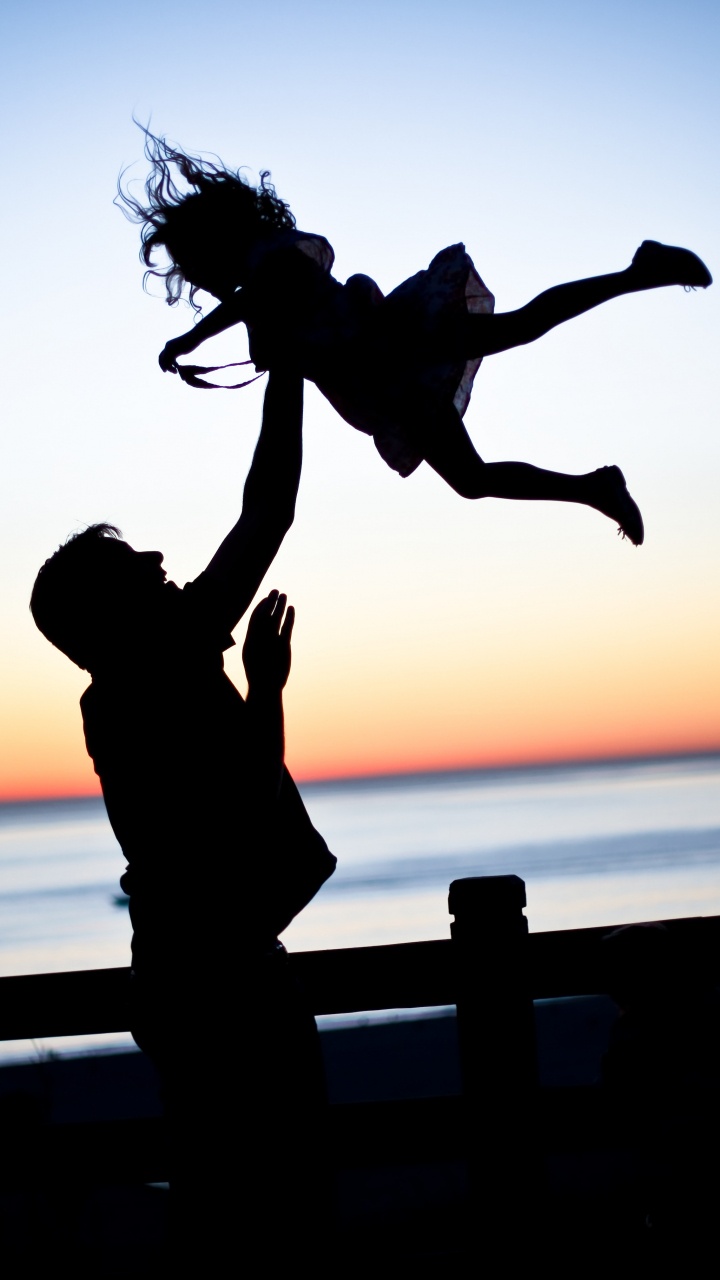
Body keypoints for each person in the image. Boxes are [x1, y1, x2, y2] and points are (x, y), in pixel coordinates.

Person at [30, 368, 336, 1268]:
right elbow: (268, 509)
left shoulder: (121, 695)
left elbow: (236, 787)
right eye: (138, 567)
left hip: (183, 973)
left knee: (229, 1193)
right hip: (223, 978)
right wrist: (287, 361)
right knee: (277, 1200)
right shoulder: (156, 662)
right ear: (115, 613)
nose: (164, 564)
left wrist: (261, 691)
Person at [117, 128, 713, 547]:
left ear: (210, 243)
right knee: (474, 478)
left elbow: (261, 306)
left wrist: (191, 340)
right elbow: (265, 322)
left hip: (396, 348)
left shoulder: (268, 263)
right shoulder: (260, 275)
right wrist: (204, 344)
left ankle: (641, 272)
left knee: (520, 336)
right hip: (387, 381)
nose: (194, 276)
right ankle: (594, 486)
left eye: (191, 261)